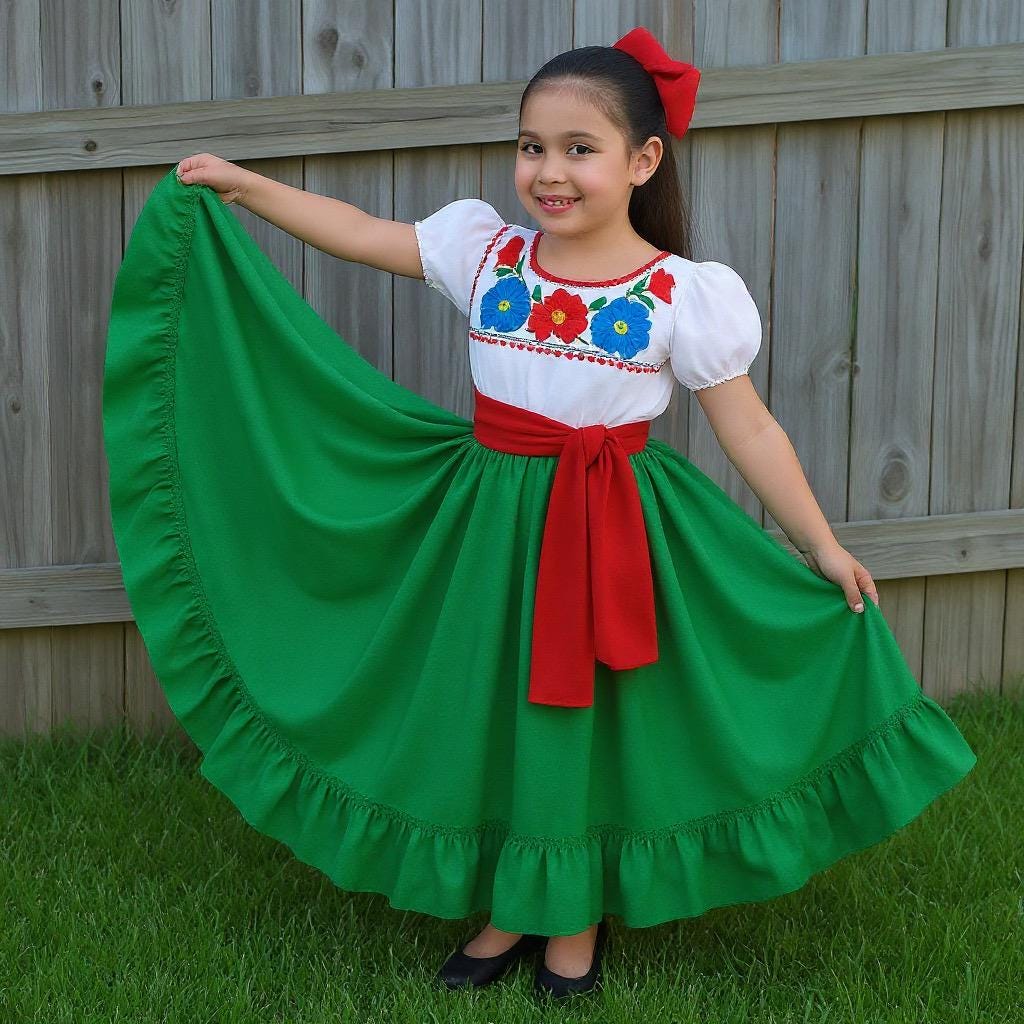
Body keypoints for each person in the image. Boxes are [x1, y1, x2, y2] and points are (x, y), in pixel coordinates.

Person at [104, 26, 977, 1003]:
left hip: (612, 535)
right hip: (488, 529)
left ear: (643, 160)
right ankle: (511, 901)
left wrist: (820, 543)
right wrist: (245, 187)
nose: (548, 172)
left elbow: (754, 432)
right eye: (531, 146)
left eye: (578, 148)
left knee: (587, 722)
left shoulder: (678, 295)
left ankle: (573, 915)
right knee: (495, 709)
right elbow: (360, 230)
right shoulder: (487, 255)